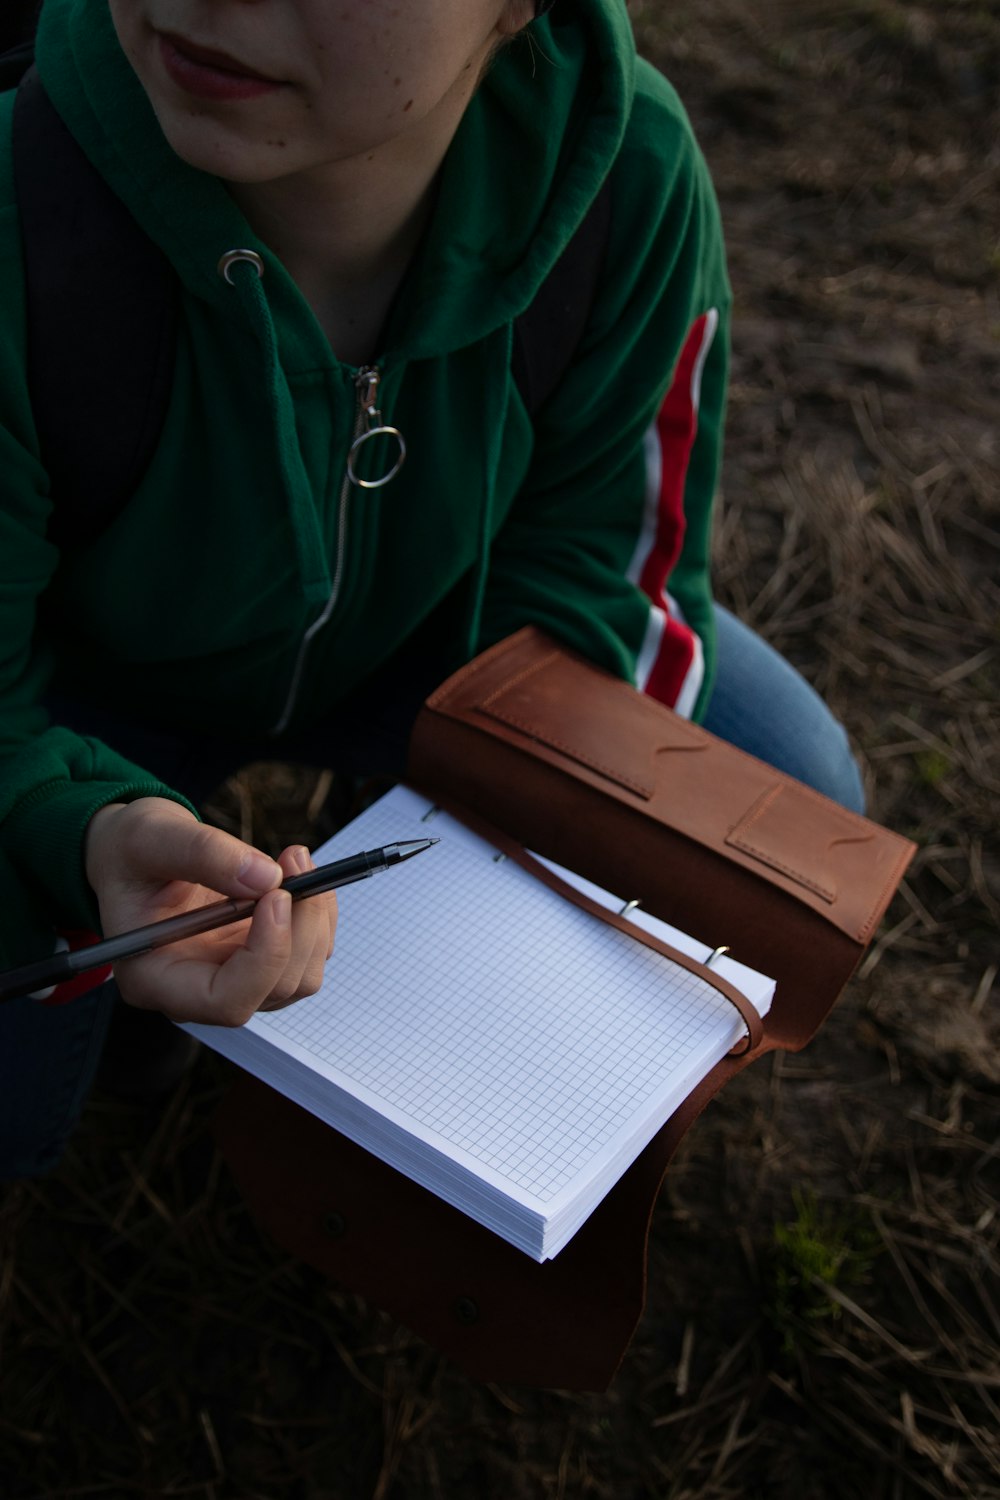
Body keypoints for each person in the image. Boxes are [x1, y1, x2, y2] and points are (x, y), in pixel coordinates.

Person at [0, 0, 863, 1178]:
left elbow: (594, 582)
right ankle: (128, 1029)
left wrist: (499, 854)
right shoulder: (22, 195)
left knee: (781, 787)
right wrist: (74, 830)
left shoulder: (615, 179)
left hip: (439, 636)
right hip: (79, 685)